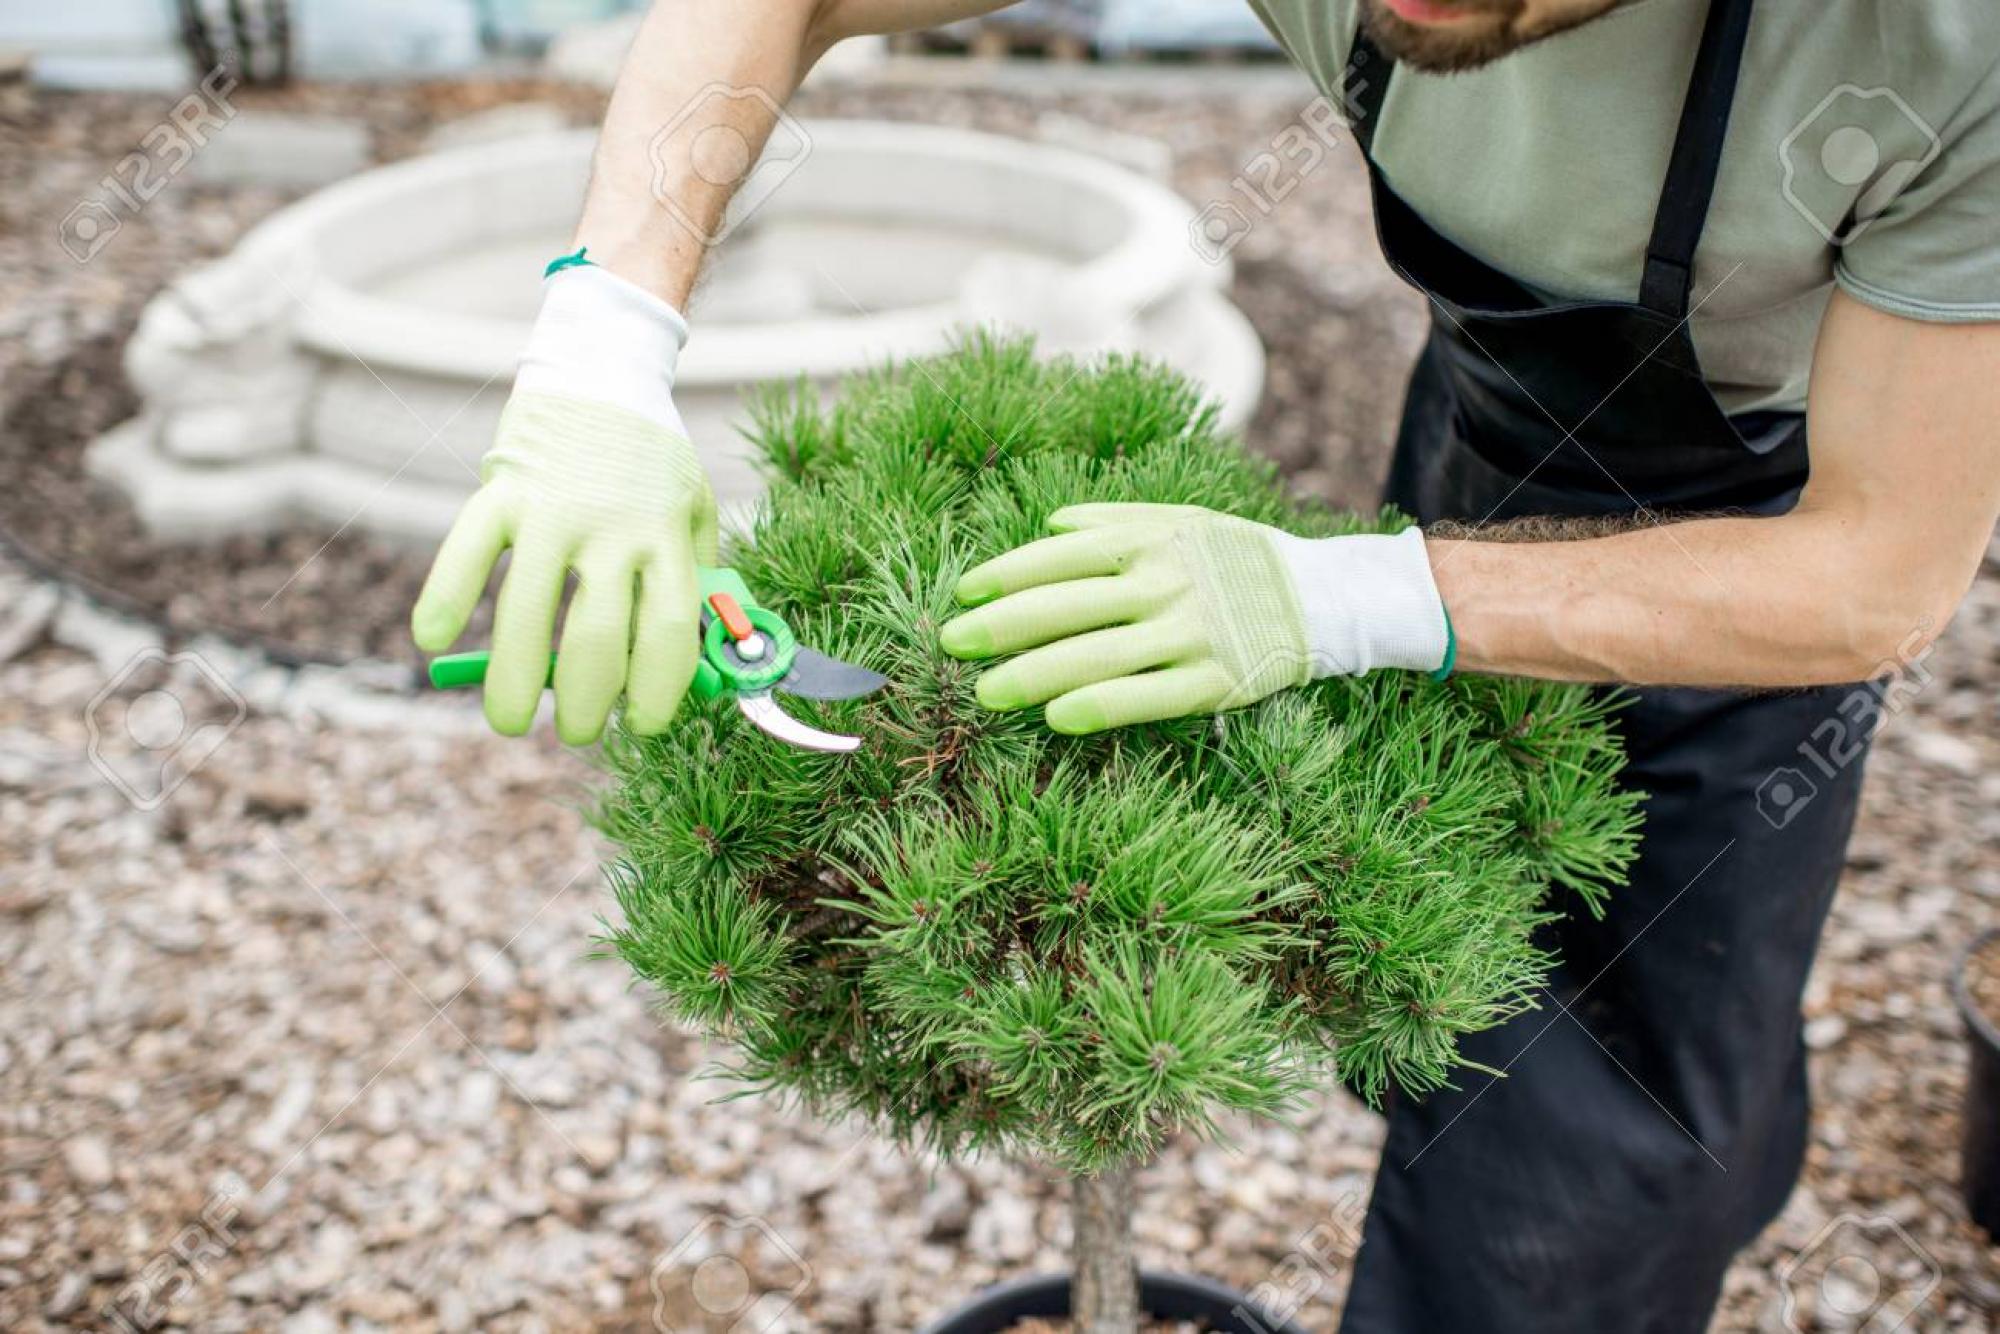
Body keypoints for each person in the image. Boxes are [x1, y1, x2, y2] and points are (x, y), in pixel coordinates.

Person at [411, 1, 2000, 1328]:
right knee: (1431, 1019)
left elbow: (1874, 570)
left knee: (1594, 1188)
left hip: (1746, 567)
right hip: (1483, 448)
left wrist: (1356, 604)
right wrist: (606, 336)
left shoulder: (1934, 49)